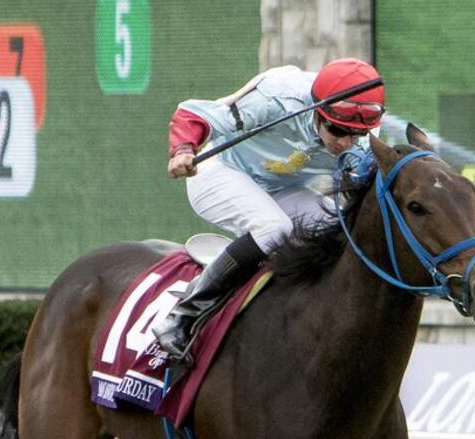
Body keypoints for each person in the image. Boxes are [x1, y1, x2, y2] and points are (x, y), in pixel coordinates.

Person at [152, 58, 386, 362]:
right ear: (318, 110)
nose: (346, 143)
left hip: (280, 188)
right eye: (337, 130)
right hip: (220, 171)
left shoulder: (363, 137)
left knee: (341, 229)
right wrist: (184, 148)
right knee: (274, 228)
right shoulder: (277, 96)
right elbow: (192, 113)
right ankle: (182, 315)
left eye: (355, 134)